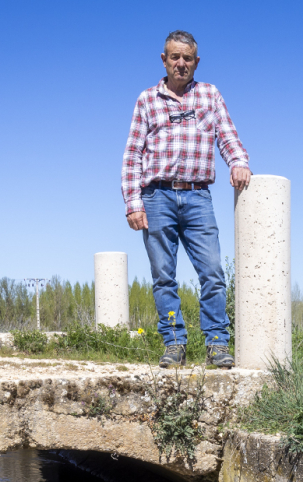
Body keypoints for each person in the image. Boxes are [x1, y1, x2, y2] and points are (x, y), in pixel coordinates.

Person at [121, 30, 251, 369]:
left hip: (197, 197)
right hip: (157, 196)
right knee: (163, 275)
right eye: (174, 57)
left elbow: (227, 136)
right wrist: (133, 202)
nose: (181, 63)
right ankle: (175, 343)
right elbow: (133, 153)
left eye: (187, 58)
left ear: (196, 62)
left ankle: (217, 343)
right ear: (164, 60)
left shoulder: (209, 95)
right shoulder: (147, 99)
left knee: (212, 272)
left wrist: (238, 162)